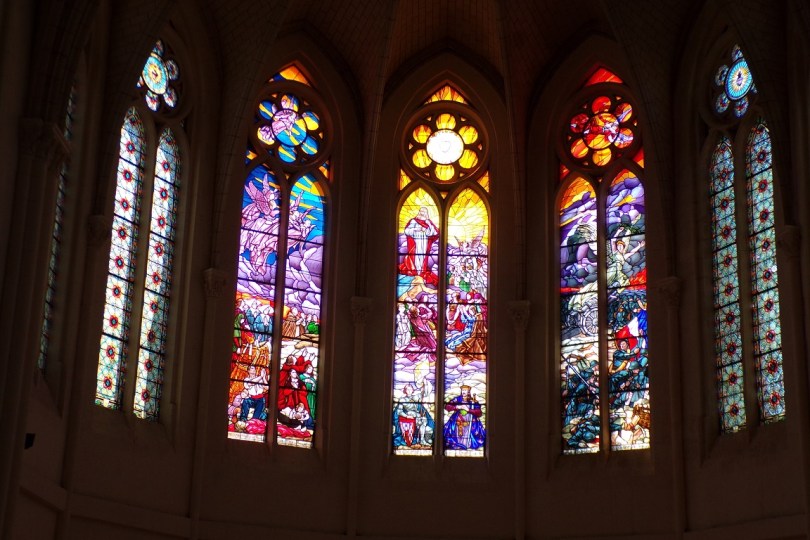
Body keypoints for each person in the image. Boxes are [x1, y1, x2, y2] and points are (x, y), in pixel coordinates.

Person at [399, 207, 439, 285]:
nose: (421, 213)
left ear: (426, 213)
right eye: (420, 211)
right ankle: (416, 273)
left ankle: (421, 273)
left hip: (424, 243)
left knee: (423, 258)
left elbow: (434, 233)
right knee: (416, 257)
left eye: (423, 212)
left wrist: (428, 227)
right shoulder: (413, 221)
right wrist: (417, 229)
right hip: (415, 243)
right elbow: (407, 231)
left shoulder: (428, 222)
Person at [392, 381, 434, 449]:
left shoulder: (416, 397)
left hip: (416, 416)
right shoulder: (402, 399)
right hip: (407, 417)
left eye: (410, 389)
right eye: (407, 389)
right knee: (420, 421)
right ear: (405, 390)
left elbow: (425, 392)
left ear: (412, 390)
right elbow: (399, 411)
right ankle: (415, 440)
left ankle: (422, 440)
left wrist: (425, 383)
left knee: (423, 421)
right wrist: (407, 416)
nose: (409, 390)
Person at [443, 385, 485, 451]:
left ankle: (467, 445)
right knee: (455, 431)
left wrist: (468, 410)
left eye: (465, 390)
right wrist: (457, 407)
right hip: (458, 419)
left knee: (470, 432)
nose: (463, 392)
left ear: (469, 391)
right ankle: (459, 445)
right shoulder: (457, 399)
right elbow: (447, 406)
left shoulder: (473, 401)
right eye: (462, 390)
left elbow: (479, 413)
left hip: (470, 421)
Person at [235, 364, 269, 431]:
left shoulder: (260, 379)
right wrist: (261, 376)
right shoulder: (246, 379)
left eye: (254, 368)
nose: (254, 370)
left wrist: (264, 377)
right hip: (251, 398)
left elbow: (267, 387)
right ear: (248, 371)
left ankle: (254, 421)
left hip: (260, 399)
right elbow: (252, 383)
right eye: (252, 368)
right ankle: (243, 420)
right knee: (245, 401)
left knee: (262, 402)